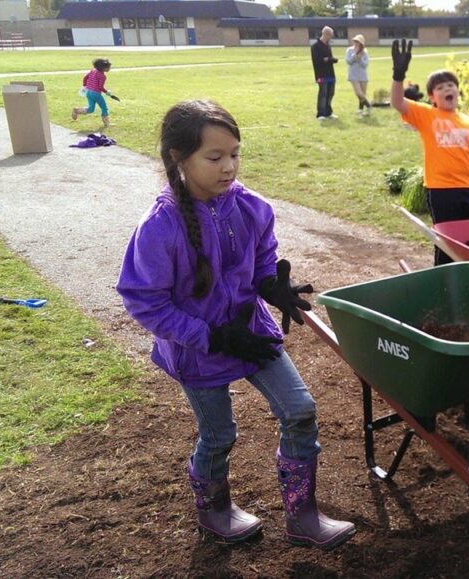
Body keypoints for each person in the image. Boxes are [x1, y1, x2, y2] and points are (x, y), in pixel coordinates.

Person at [116, 100, 356, 549]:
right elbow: (144, 301)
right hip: (198, 348)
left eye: (235, 154)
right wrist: (210, 336)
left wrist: (272, 287)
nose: (229, 167)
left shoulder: (253, 207)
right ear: (177, 157)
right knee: (220, 434)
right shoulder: (160, 227)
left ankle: (302, 517)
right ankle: (215, 512)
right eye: (214, 157)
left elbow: (262, 260)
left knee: (300, 410)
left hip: (252, 332)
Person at [390, 40, 469, 266]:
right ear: (432, 97)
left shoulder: (468, 122)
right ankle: (443, 279)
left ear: (458, 90)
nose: (447, 89)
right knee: (445, 243)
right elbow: (397, 102)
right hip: (441, 191)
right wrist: (398, 75)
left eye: (450, 85)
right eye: (440, 87)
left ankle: (467, 277)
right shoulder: (427, 115)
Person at [72, 58, 119, 128]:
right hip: (96, 94)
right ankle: (107, 123)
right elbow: (100, 87)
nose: (110, 68)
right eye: (109, 67)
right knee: (104, 108)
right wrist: (107, 92)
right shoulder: (103, 76)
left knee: (91, 109)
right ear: (103, 68)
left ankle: (77, 110)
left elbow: (85, 77)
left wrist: (85, 85)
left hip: (88, 92)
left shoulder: (93, 71)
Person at [310, 26, 338, 120]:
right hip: (321, 74)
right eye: (331, 35)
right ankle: (321, 113)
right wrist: (327, 59)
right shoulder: (315, 47)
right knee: (323, 93)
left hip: (330, 73)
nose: (331, 37)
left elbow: (328, 58)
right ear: (326, 34)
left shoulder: (328, 46)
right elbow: (317, 60)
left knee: (331, 93)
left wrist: (331, 59)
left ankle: (328, 112)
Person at [345, 34, 371, 116]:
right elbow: (348, 61)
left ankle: (360, 110)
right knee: (359, 93)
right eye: (355, 41)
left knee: (362, 94)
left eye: (358, 42)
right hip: (353, 75)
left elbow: (365, 64)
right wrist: (355, 55)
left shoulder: (365, 52)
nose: (356, 43)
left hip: (363, 75)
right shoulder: (349, 50)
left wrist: (360, 59)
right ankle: (369, 106)